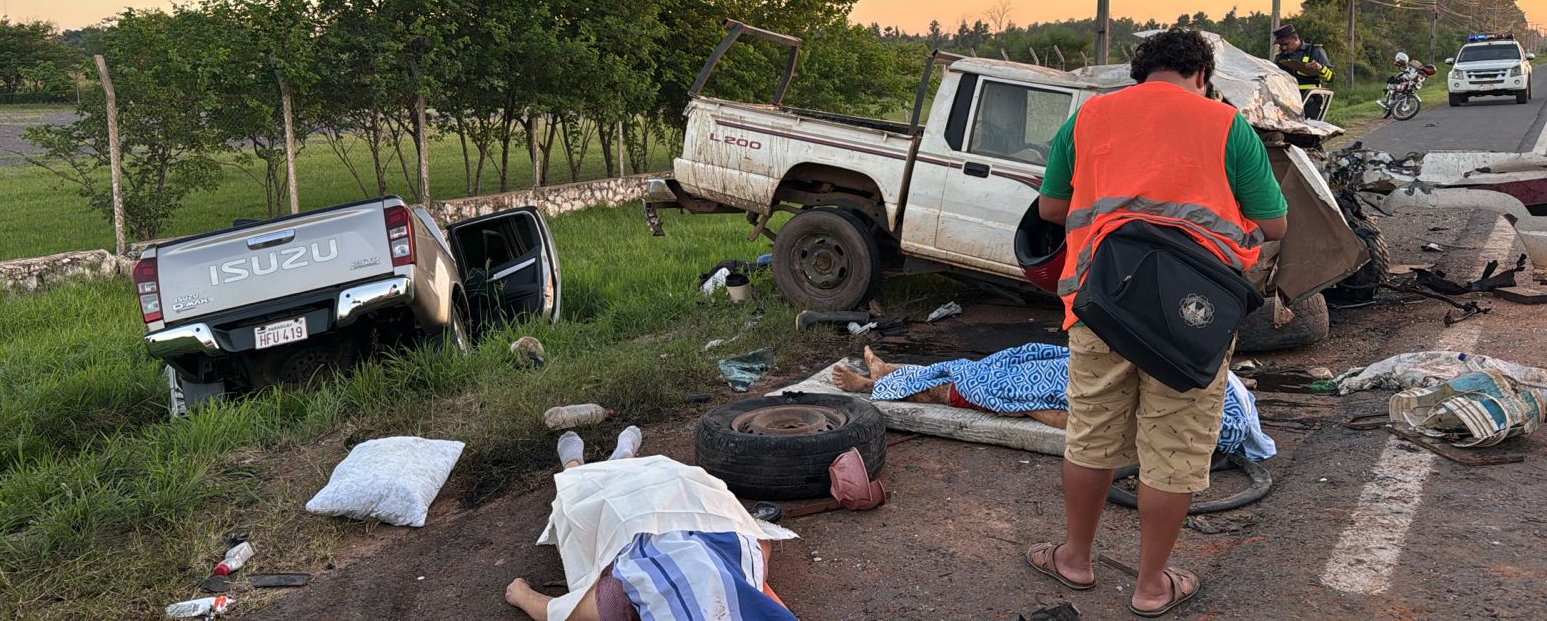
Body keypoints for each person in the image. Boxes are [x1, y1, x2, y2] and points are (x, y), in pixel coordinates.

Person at [1029, 28, 1288, 617]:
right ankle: (1150, 586)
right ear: (1202, 74)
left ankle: (1074, 559)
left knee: (1092, 432)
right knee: (1174, 445)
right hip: (1191, 316)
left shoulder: (1090, 118)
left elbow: (1049, 209)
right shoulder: (1226, 125)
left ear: (1138, 74)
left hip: (1101, 304)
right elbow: (1274, 224)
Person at [505, 426, 798, 621]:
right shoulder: (621, 599)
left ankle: (578, 466)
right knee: (661, 484)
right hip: (692, 515)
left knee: (590, 504)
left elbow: (561, 612)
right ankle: (619, 459)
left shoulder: (621, 597)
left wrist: (522, 595)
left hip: (647, 523)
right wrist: (522, 595)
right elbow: (560, 613)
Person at [831, 345, 1275, 462]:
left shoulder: (1204, 417)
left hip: (1067, 387)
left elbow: (1079, 423)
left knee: (967, 386)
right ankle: (886, 374)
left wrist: (1022, 407)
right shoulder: (1215, 399)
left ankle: (874, 382)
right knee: (981, 370)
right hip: (1082, 373)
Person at [1272, 24, 1334, 119]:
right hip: (1286, 101)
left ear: (1295, 38)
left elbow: (1330, 78)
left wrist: (1320, 68)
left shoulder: (1314, 51)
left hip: (1309, 99)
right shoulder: (1280, 57)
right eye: (1281, 45)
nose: (1283, 48)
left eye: (1286, 44)